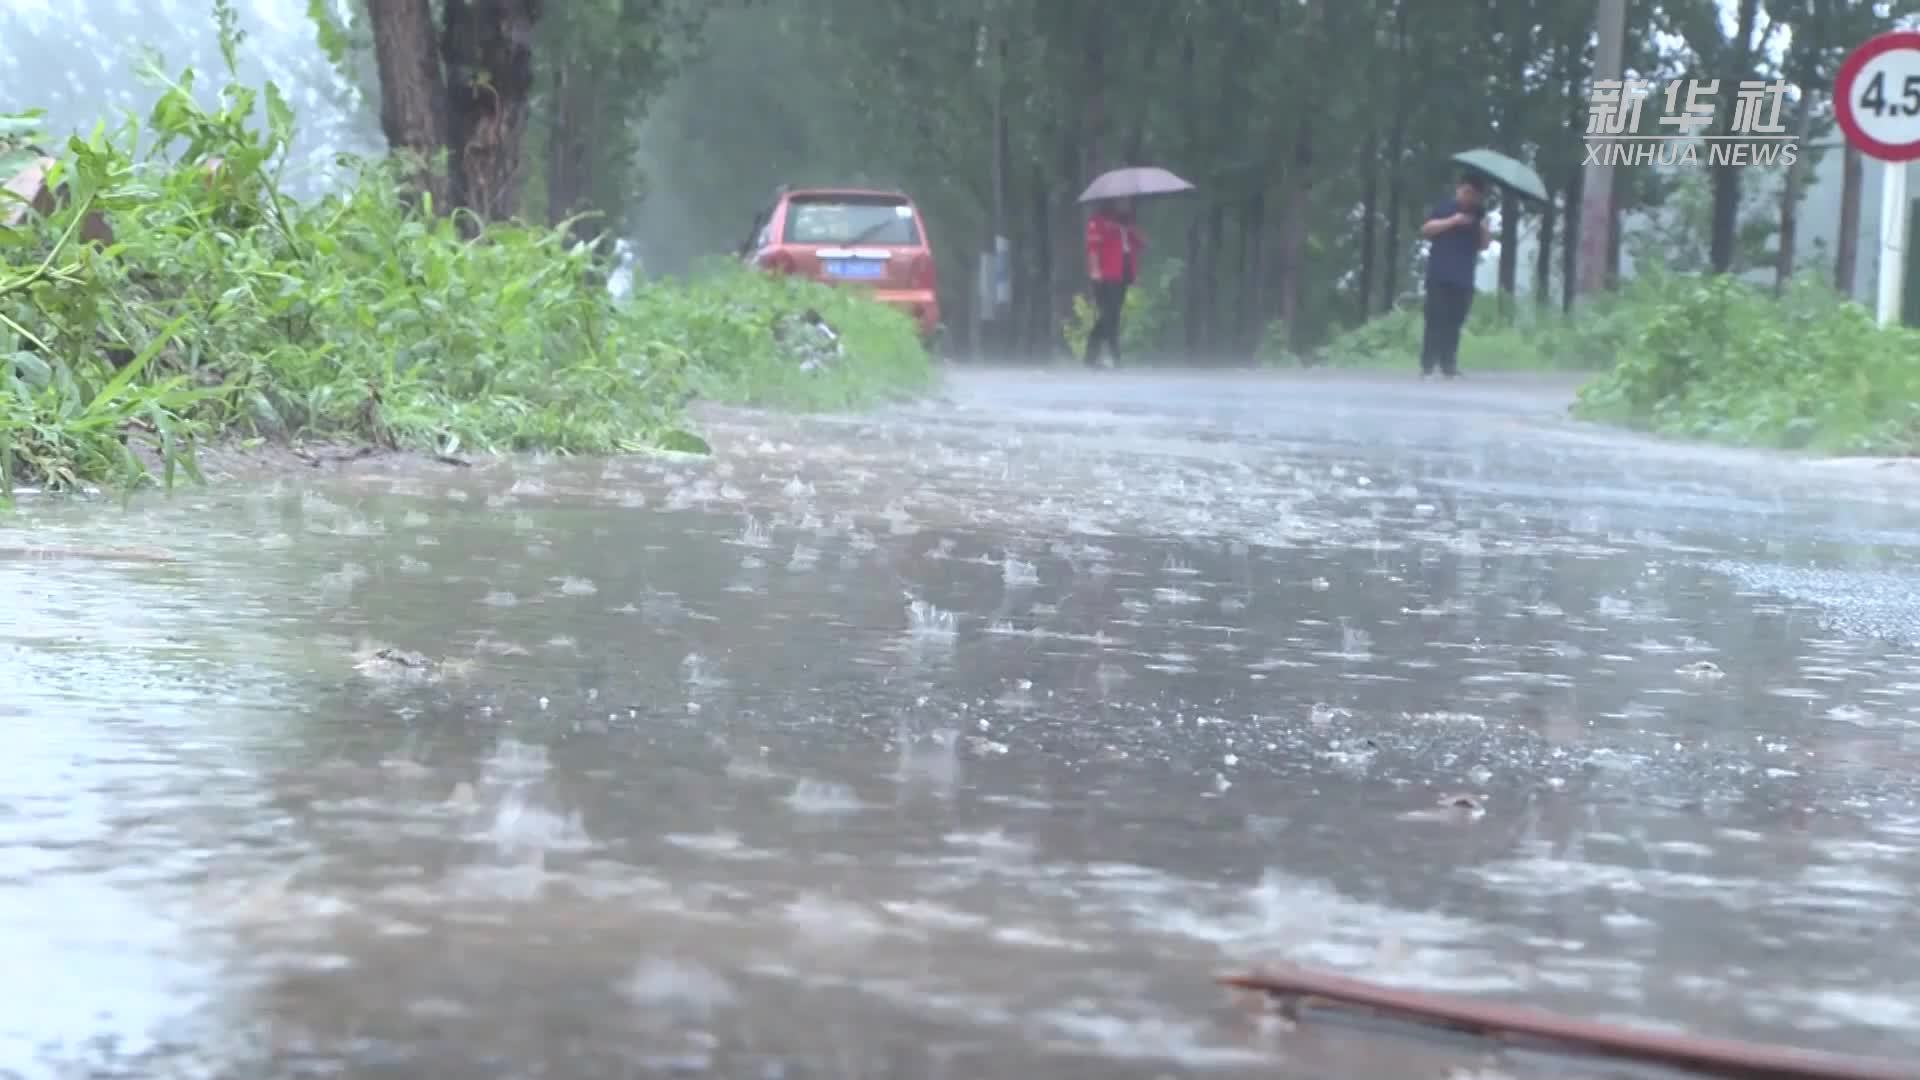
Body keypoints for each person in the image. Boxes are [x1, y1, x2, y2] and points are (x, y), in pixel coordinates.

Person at [1419, 175, 1492, 379]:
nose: (1469, 197)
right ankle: (1427, 365)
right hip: (1439, 273)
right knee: (1435, 319)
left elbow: (1483, 245)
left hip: (1463, 276)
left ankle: (1448, 365)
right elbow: (1426, 230)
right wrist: (1453, 221)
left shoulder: (1479, 214)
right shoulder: (1445, 208)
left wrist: (1484, 227)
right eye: (1466, 191)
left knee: (1454, 322)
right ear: (1459, 189)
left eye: (1474, 194)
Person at [1084, 197, 1144, 368]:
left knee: (1113, 315)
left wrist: (1128, 228)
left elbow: (1140, 244)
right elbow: (1093, 247)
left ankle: (1093, 356)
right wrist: (1095, 269)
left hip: (1123, 273)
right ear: (1111, 203)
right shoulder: (1098, 221)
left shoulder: (1127, 222)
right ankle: (1114, 355)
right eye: (1121, 202)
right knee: (1109, 315)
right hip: (1105, 274)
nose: (1124, 205)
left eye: (1126, 203)